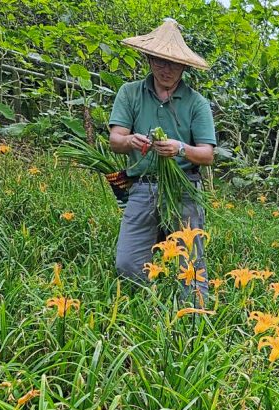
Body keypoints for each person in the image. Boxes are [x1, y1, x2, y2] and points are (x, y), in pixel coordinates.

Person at [108, 18, 216, 296]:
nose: (166, 69)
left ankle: (194, 318)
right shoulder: (130, 93)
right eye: (159, 61)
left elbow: (206, 154)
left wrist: (180, 148)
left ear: (185, 66)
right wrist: (130, 139)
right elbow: (115, 140)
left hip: (184, 188)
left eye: (174, 64)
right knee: (128, 264)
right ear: (148, 59)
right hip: (142, 186)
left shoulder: (196, 103)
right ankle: (151, 308)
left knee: (190, 266)